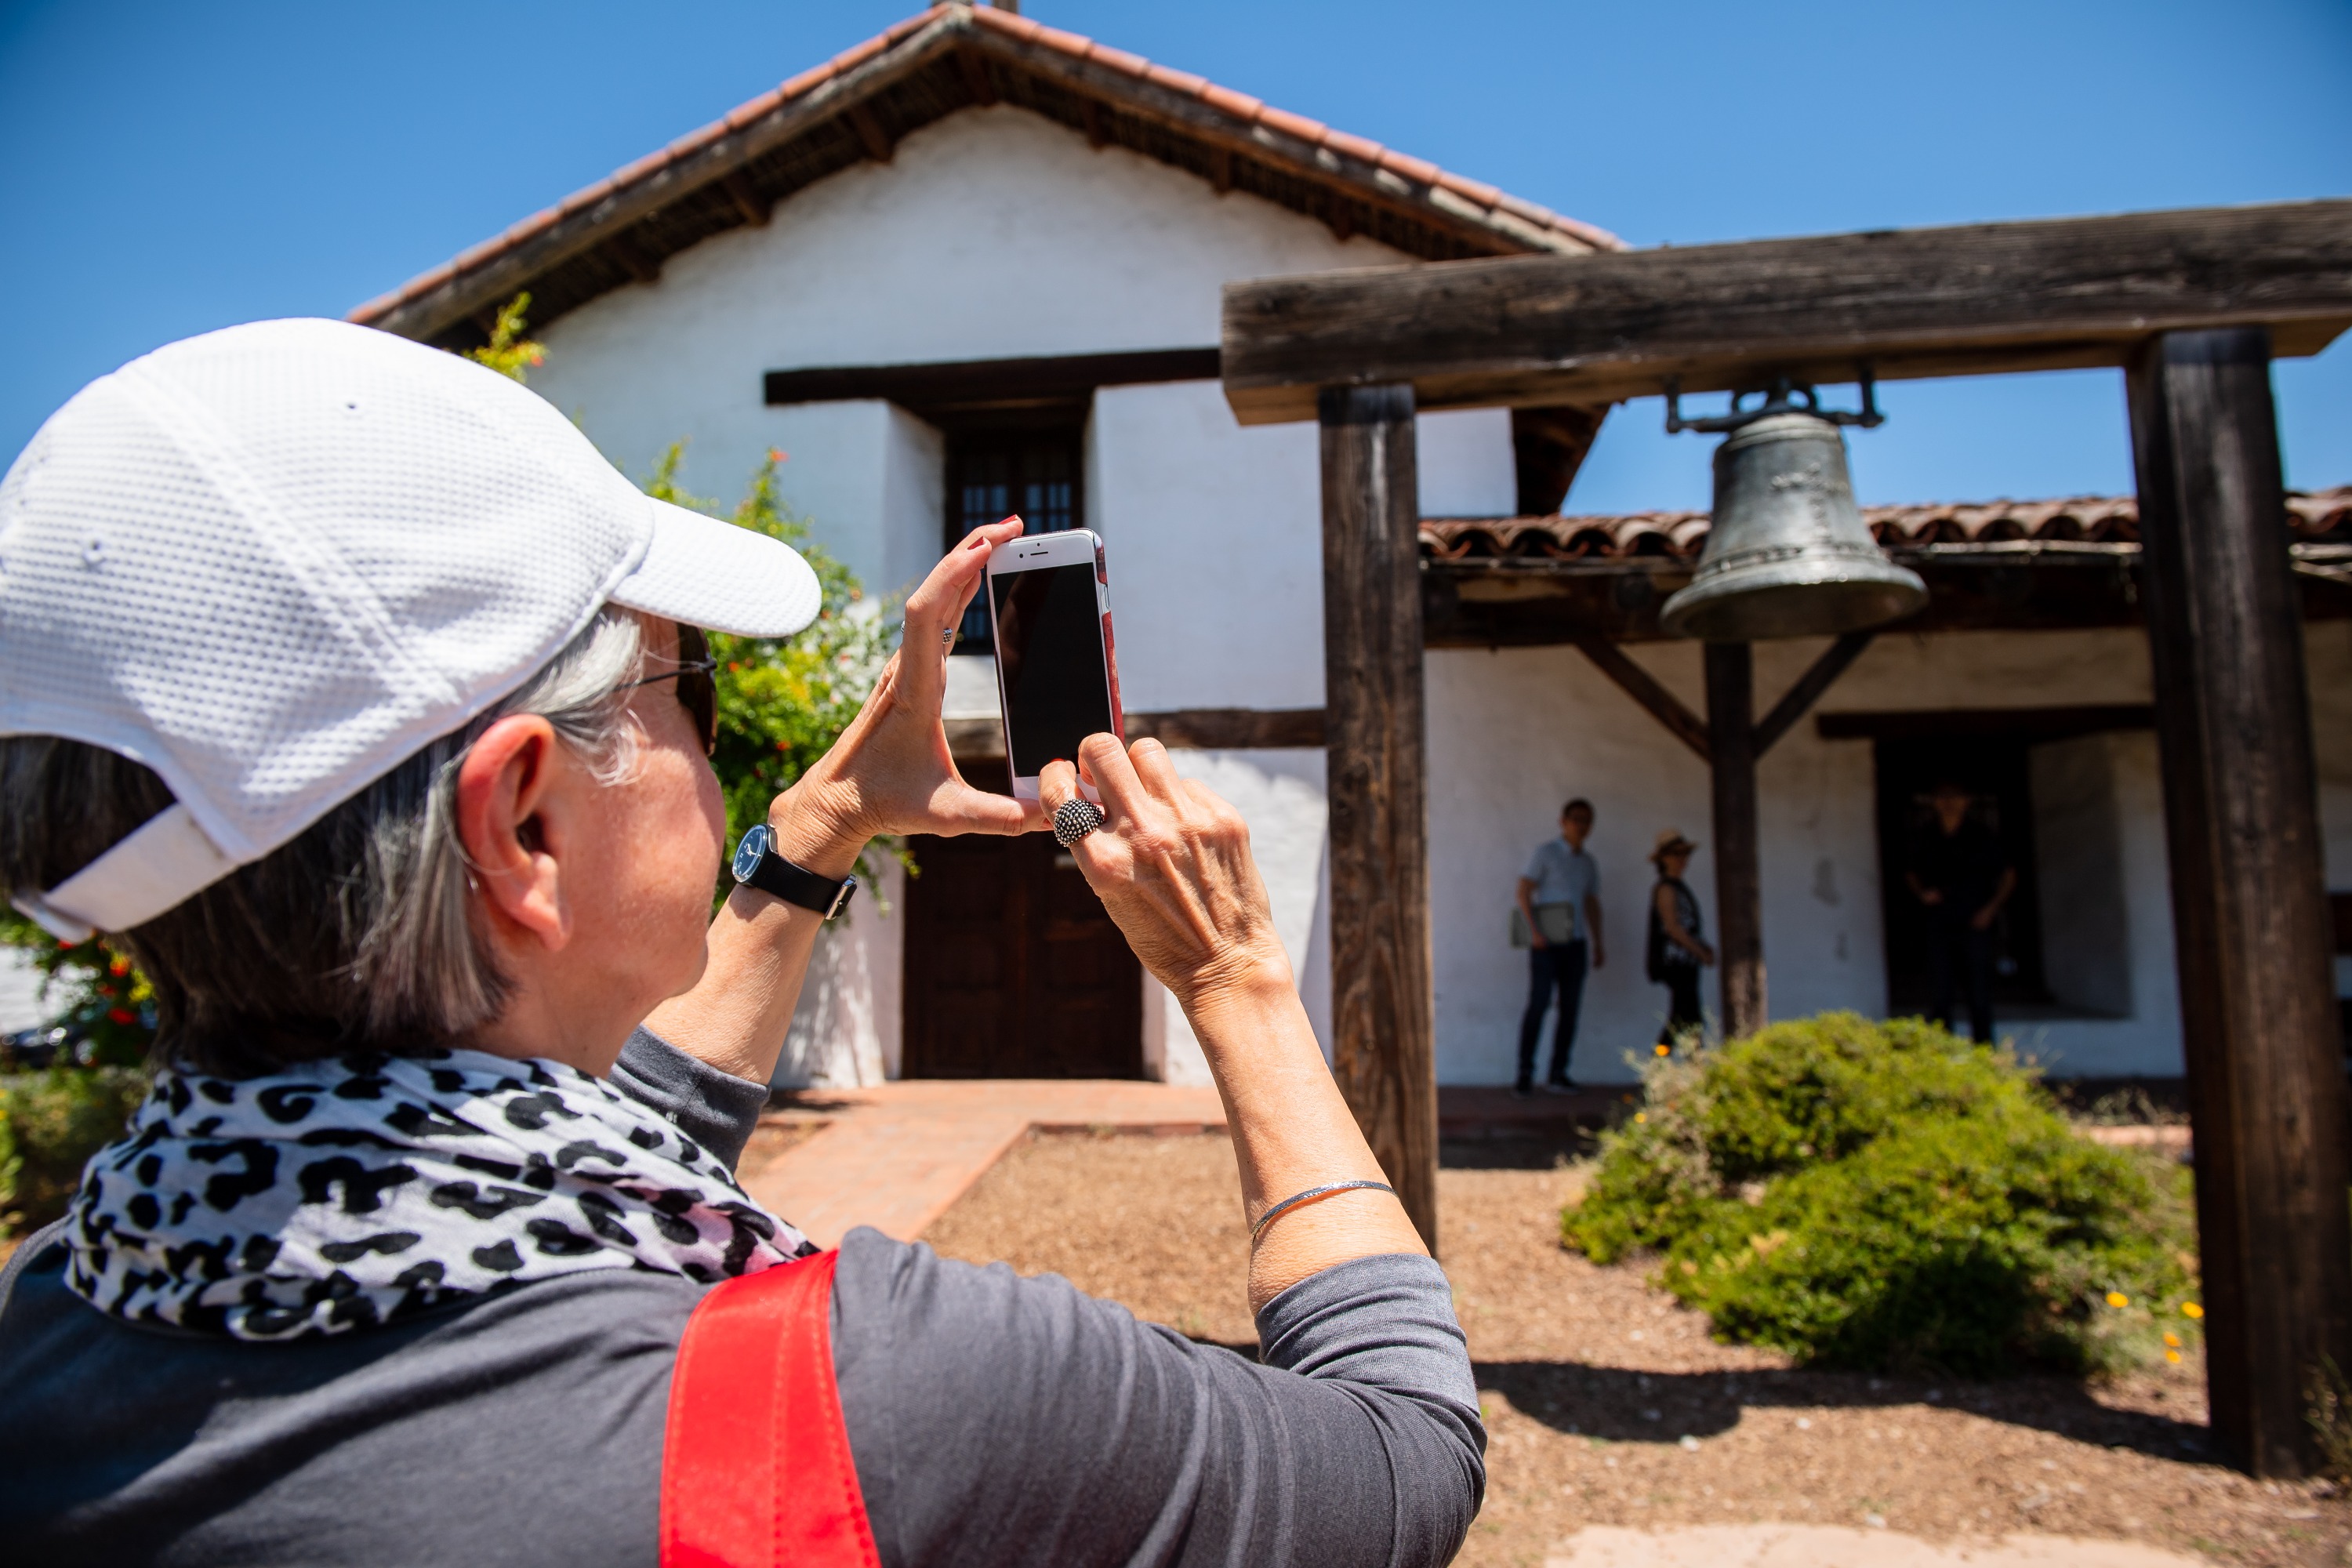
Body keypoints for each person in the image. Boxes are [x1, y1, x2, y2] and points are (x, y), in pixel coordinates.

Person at [0, 321, 1483, 1567]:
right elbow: (1401, 1458)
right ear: (523, 821)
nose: (717, 757)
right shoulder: (878, 1398)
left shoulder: (64, 1313)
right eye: (687, 693)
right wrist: (1239, 984)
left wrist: (823, 824)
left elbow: (580, 1147)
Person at [1905, 779, 2016, 1044]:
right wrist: (1922, 894)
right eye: (1942, 797)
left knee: (1979, 994)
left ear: (1966, 801)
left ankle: (1984, 1056)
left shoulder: (1982, 835)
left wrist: (1990, 910)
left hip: (1974, 920)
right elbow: (1910, 871)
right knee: (1940, 994)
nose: (1949, 803)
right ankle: (1943, 1057)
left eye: (1955, 797)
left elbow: (2009, 876)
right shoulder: (1926, 835)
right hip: (1939, 921)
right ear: (1933, 802)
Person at [1513, 797, 1604, 1096]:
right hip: (1546, 943)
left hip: (1576, 944)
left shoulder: (1588, 862)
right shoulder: (1546, 853)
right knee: (1538, 1005)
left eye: (1586, 820)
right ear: (1563, 821)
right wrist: (1534, 931)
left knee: (1570, 1010)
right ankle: (1525, 1073)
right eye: (1576, 818)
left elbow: (1591, 903)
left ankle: (1558, 1073)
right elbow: (1524, 890)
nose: (1581, 825)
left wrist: (1599, 941)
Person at [1644, 830, 1713, 1047]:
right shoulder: (1666, 888)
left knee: (1688, 1017)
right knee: (1682, 1017)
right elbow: (1673, 928)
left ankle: (1692, 1062)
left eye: (1684, 854)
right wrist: (1699, 951)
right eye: (1675, 854)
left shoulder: (1679, 887)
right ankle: (1659, 1061)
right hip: (1676, 963)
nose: (1681, 859)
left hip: (1686, 962)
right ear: (1664, 858)